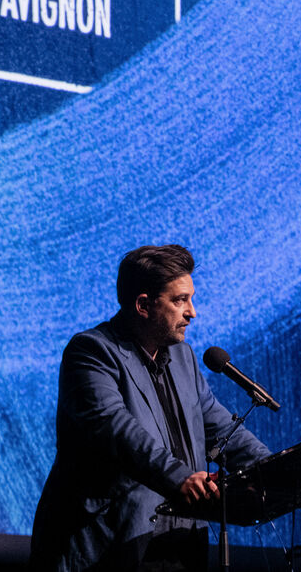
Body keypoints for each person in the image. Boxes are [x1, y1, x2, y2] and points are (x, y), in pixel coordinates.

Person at [29, 245, 272, 572]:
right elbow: (116, 430)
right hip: (110, 548)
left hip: (179, 548)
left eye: (191, 299)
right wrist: (181, 478)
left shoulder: (183, 357)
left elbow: (220, 428)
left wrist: (280, 474)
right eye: (180, 300)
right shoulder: (91, 352)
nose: (192, 312)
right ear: (143, 305)